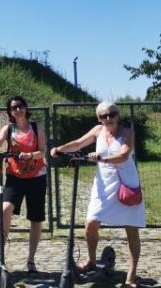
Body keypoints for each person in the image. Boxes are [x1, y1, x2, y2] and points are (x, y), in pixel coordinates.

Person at [51, 102, 145, 288]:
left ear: (118, 115)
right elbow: (78, 143)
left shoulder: (128, 133)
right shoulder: (97, 130)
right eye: (103, 116)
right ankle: (91, 261)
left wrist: (101, 158)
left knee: (131, 230)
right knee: (91, 224)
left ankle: (131, 276)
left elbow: (124, 155)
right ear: (99, 118)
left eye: (111, 114)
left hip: (126, 184)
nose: (108, 118)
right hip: (103, 185)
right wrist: (60, 148)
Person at [0, 95, 47, 274]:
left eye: (20, 106)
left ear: (26, 108)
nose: (17, 110)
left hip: (36, 176)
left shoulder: (36, 127)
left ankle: (31, 260)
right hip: (15, 176)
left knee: (36, 218)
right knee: (5, 209)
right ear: (10, 112)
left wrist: (30, 156)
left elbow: (42, 152)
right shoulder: (8, 128)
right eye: (13, 108)